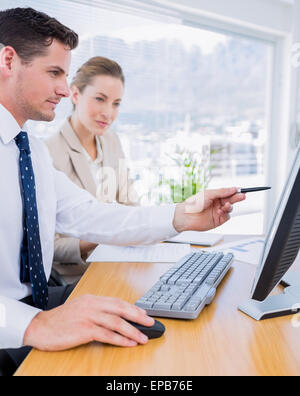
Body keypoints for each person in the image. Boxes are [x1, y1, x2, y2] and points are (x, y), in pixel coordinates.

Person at [0, 7, 245, 374]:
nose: (64, 90)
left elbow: (91, 213)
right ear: (8, 60)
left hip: (35, 303)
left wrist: (184, 215)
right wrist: (34, 324)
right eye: (54, 73)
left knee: (149, 345)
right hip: (12, 322)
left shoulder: (28, 149)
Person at [46, 57, 137, 279]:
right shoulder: (49, 153)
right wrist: (105, 236)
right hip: (75, 279)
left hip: (117, 268)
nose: (108, 112)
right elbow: (49, 245)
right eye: (100, 99)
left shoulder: (112, 141)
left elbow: (130, 204)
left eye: (116, 103)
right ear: (75, 95)